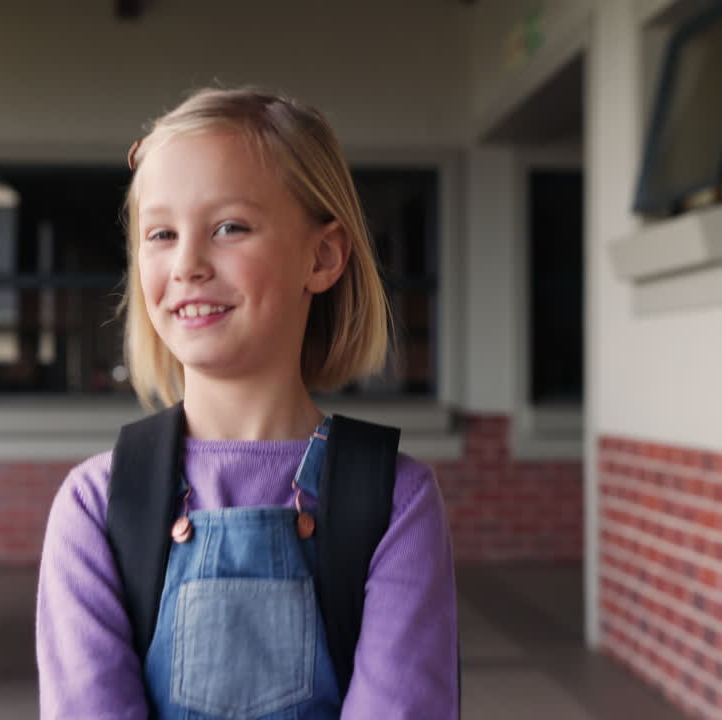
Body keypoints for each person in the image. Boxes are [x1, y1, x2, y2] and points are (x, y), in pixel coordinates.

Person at [35, 87, 458, 719]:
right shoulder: (96, 505)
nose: (187, 264)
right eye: (161, 234)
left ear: (322, 256)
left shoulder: (396, 501)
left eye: (229, 227)